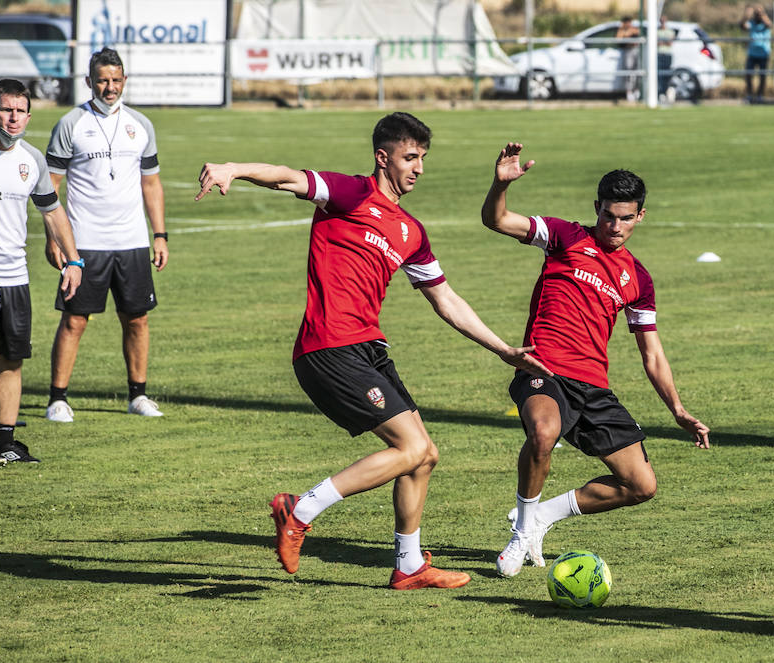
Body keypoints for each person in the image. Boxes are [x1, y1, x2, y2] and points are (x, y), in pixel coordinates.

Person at [194, 113, 550, 590]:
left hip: (368, 350)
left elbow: (445, 299)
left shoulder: (411, 230)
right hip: (329, 346)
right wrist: (233, 167)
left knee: (424, 457)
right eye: (410, 157)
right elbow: (287, 177)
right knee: (411, 446)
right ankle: (298, 511)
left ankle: (408, 567)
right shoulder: (351, 194)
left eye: (423, 158)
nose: (419, 167)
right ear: (383, 158)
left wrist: (502, 348)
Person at [482, 142, 710, 578]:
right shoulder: (566, 237)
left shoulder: (638, 279)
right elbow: (496, 220)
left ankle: (543, 516)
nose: (616, 225)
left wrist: (678, 410)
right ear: (596, 208)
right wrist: (500, 185)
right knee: (544, 431)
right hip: (543, 368)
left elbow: (652, 352)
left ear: (640, 215)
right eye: (608, 215)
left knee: (641, 485)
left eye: (626, 217)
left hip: (593, 385)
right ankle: (523, 531)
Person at [44, 47, 168, 423]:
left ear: (124, 80)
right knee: (75, 320)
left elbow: (152, 184)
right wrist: (54, 239)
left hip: (132, 241)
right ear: (89, 82)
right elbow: (50, 186)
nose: (110, 87)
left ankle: (138, 395)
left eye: (116, 80)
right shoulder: (71, 123)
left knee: (137, 318)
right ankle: (57, 399)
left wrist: (159, 234)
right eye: (102, 80)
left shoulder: (141, 125)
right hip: (84, 243)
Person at [0, 79, 85, 470]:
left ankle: (6, 440)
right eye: (6, 109)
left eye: (20, 110)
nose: (13, 117)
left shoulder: (32, 160)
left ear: (29, 116)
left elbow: (52, 211)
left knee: (11, 359)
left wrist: (74, 260)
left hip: (15, 276)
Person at [742, 5, 774, 103]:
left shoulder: (765, 23)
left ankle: (760, 95)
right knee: (748, 75)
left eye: (758, 14)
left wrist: (762, 13)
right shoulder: (751, 22)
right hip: (752, 54)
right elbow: (742, 26)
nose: (757, 15)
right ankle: (750, 95)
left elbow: (769, 24)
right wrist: (747, 15)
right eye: (756, 14)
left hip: (763, 54)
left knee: (762, 76)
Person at [616, 16, 642, 102]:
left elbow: (637, 34)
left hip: (635, 51)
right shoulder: (621, 30)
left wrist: (628, 35)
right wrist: (627, 34)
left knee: (638, 71)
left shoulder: (634, 29)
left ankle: (637, 90)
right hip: (627, 51)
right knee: (628, 71)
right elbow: (619, 38)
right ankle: (629, 92)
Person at [657, 15, 676, 100]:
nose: (663, 22)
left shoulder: (670, 31)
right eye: (661, 20)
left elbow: (670, 43)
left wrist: (662, 41)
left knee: (667, 74)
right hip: (659, 54)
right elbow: (657, 42)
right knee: (659, 75)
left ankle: (665, 92)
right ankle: (661, 93)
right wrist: (664, 41)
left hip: (667, 55)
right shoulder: (657, 31)